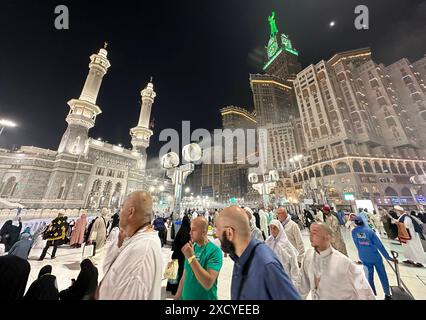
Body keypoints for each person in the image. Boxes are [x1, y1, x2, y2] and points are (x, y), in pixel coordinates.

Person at [215, 206, 300, 300]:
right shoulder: (240, 259)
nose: (216, 234)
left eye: (218, 229)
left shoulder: (266, 265)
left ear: (229, 233)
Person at [97, 191, 163, 300]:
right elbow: (110, 271)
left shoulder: (141, 252)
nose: (119, 213)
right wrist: (119, 243)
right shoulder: (134, 240)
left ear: (131, 212)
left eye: (122, 208)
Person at [296, 222, 375, 300]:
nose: (311, 236)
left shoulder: (345, 264)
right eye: (310, 233)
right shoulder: (309, 256)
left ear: (327, 237)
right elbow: (302, 285)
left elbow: (366, 293)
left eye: (315, 233)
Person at [175, 217, 223, 300]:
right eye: (190, 229)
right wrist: (177, 297)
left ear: (203, 232)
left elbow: (208, 283)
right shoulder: (192, 248)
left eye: (193, 230)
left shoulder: (214, 251)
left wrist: (191, 257)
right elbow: (184, 277)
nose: (190, 233)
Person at [351, 216, 394, 299]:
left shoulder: (354, 232)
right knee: (382, 275)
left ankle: (371, 294)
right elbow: (379, 245)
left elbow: (357, 244)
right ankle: (387, 293)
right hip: (375, 257)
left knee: (368, 277)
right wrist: (388, 257)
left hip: (364, 257)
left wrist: (361, 253)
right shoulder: (369, 231)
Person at [265, 220, 299, 285]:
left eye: (275, 228)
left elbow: (293, 261)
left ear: (279, 229)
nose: (272, 230)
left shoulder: (286, 244)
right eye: (271, 228)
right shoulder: (268, 242)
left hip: (285, 274)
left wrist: (294, 280)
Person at [167, 215, 191, 295]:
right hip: (180, 255)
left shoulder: (181, 229)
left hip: (175, 253)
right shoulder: (186, 231)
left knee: (173, 271)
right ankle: (175, 290)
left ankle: (170, 288)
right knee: (178, 272)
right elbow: (183, 242)